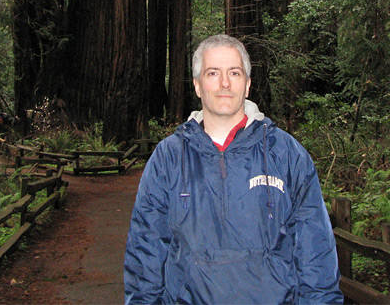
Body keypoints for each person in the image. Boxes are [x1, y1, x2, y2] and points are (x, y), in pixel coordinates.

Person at [124, 34, 343, 304]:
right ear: (197, 85)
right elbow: (145, 252)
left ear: (248, 85)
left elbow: (316, 255)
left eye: (235, 73)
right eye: (213, 73)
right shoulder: (168, 158)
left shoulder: (287, 154)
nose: (225, 83)